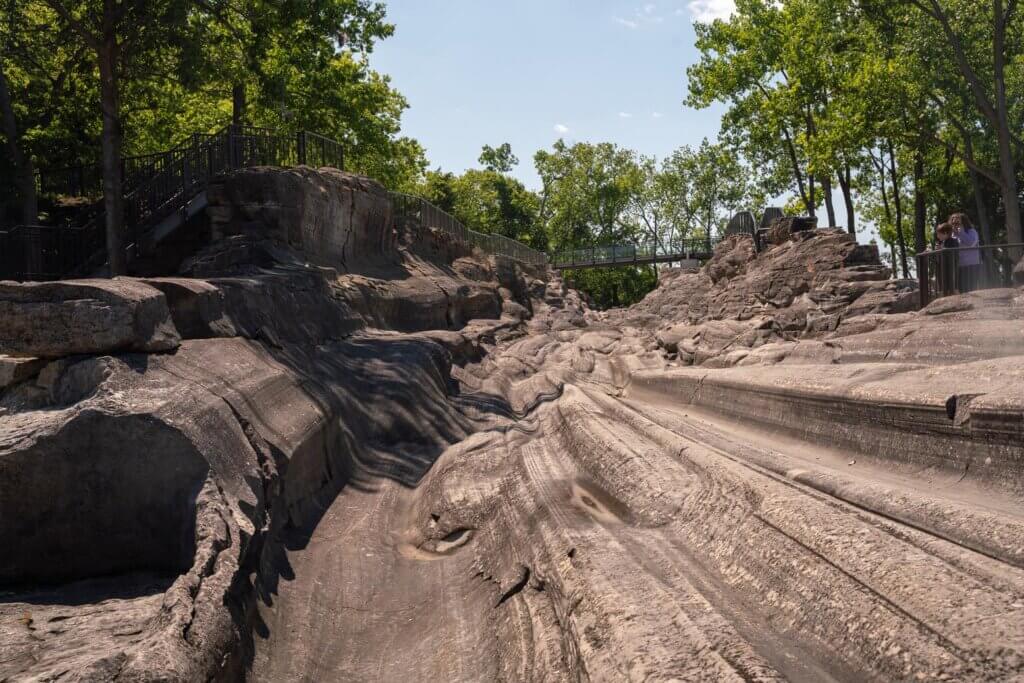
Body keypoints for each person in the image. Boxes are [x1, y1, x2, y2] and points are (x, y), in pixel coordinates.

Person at [950, 212, 981, 292]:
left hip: (971, 265)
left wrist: (962, 233)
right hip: (959, 265)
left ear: (964, 222)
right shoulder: (952, 235)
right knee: (961, 290)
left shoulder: (972, 232)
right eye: (953, 223)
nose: (955, 225)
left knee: (971, 289)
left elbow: (971, 243)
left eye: (957, 223)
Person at [936, 223, 959, 296]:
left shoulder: (953, 241)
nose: (938, 236)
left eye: (939, 234)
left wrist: (941, 249)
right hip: (944, 269)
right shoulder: (943, 242)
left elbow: (952, 253)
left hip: (951, 269)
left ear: (945, 233)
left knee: (953, 287)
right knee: (945, 288)